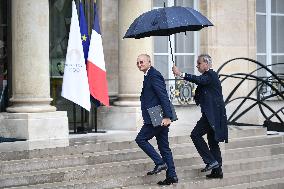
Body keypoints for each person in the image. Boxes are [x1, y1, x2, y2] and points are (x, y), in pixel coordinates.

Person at [172, 54, 228, 179]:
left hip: (212, 116)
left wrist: (181, 74)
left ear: (206, 64)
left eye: (199, 63)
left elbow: (200, 80)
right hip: (213, 115)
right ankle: (217, 171)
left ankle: (211, 162)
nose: (197, 65)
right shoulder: (207, 76)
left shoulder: (211, 75)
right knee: (213, 142)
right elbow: (201, 88)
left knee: (195, 135)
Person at [135, 54, 178, 185]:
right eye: (137, 63)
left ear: (149, 62)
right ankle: (172, 176)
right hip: (156, 116)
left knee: (141, 139)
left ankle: (160, 162)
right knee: (164, 147)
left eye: (142, 62)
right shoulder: (148, 75)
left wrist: (167, 116)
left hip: (158, 117)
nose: (139, 64)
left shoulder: (154, 75)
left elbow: (163, 96)